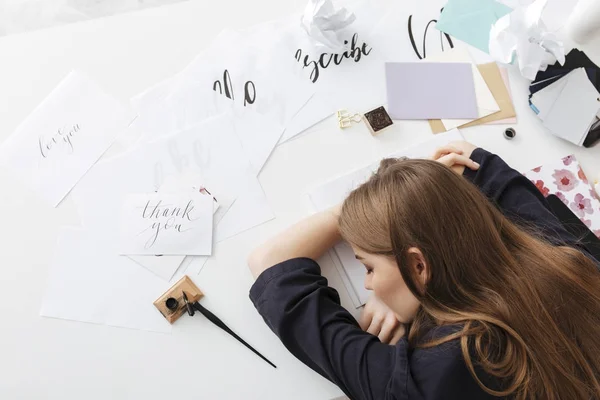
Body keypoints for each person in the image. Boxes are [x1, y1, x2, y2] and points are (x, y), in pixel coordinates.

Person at [247, 142, 600, 400]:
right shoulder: (572, 266)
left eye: (368, 268)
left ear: (418, 264)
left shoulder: (424, 381)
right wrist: (412, 279)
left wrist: (358, 213)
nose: (369, 285)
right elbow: (472, 161)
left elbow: (270, 264)